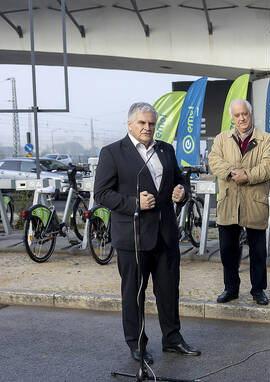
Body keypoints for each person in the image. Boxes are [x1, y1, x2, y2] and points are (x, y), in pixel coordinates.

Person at [94, 102, 200, 365]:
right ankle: (137, 344)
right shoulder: (112, 152)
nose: (147, 127)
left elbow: (179, 179)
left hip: (165, 235)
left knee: (168, 291)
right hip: (133, 237)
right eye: (142, 123)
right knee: (134, 293)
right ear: (130, 124)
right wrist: (133, 203)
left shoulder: (165, 149)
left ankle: (172, 339)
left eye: (151, 123)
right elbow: (101, 194)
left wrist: (182, 192)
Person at [208, 99, 270, 306]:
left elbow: (269, 166)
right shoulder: (221, 139)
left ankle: (258, 290)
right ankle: (231, 288)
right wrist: (231, 172)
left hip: (255, 203)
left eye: (244, 114)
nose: (241, 118)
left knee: (257, 251)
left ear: (251, 113)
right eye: (237, 115)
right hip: (229, 203)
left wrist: (246, 175)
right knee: (228, 249)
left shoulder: (266, 139)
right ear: (232, 118)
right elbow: (214, 160)